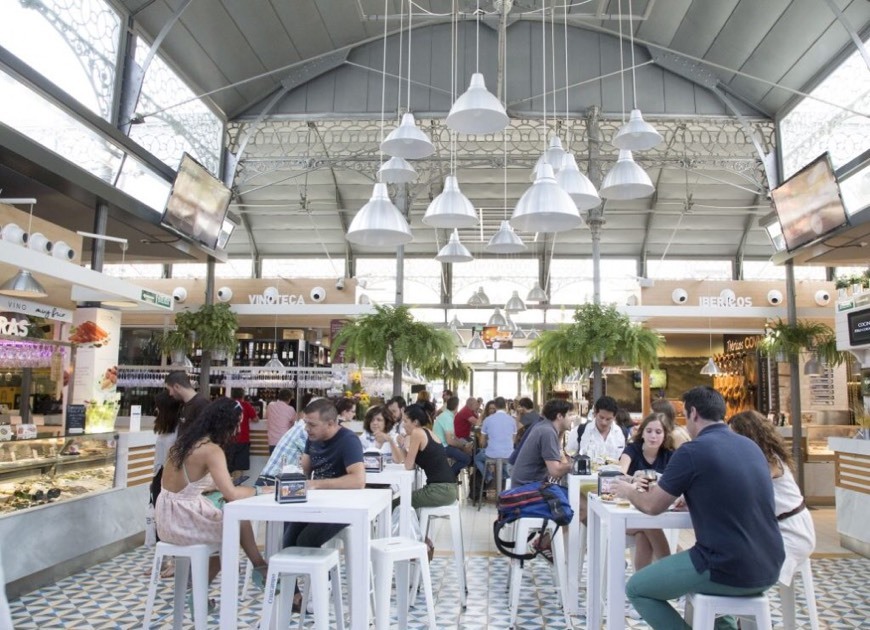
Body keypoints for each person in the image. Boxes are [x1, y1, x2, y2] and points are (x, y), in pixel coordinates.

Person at [611, 387, 784, 630]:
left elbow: (652, 506)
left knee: (638, 589)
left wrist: (627, 490)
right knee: (705, 592)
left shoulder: (692, 451)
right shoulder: (750, 447)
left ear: (693, 413)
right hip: (771, 564)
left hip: (724, 565)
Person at [156, 398, 273, 589]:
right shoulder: (211, 450)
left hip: (166, 518)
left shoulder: (184, 443)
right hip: (182, 521)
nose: (237, 430)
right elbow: (232, 493)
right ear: (226, 424)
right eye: (237, 424)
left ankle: (258, 567)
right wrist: (260, 490)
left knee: (233, 523)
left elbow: (184, 483)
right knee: (233, 532)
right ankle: (199, 588)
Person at [729, 410, 815, 589]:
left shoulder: (769, 462)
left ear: (749, 436)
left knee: (747, 574)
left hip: (793, 532)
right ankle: (740, 612)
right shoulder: (757, 459)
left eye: (734, 436)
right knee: (733, 560)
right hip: (776, 529)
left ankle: (748, 612)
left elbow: (747, 490)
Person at [283, 398, 365, 549]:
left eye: (312, 424)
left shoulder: (349, 440)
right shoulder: (313, 437)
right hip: (316, 502)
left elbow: (358, 480)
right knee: (288, 540)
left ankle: (320, 573)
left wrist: (316, 484)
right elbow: (306, 469)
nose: (307, 428)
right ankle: (293, 572)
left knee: (305, 541)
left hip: (342, 506)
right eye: (306, 423)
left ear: (331, 423)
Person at [618, 412, 675, 571]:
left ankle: (640, 585)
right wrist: (633, 480)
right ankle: (669, 572)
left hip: (656, 511)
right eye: (649, 431)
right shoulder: (632, 449)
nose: (653, 436)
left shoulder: (670, 455)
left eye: (658, 432)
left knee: (644, 533)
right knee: (649, 524)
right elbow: (619, 473)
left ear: (665, 435)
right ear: (642, 432)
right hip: (626, 513)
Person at [394, 403, 457, 508]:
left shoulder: (417, 433)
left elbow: (408, 465)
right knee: (403, 500)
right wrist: (403, 444)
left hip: (440, 490)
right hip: (447, 488)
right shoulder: (426, 431)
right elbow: (410, 463)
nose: (403, 425)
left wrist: (401, 444)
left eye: (405, 421)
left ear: (415, 422)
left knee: (396, 503)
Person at [510, 398, 573, 488]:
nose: (572, 419)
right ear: (559, 416)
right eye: (569, 415)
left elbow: (556, 451)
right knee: (570, 498)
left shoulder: (543, 426)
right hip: (526, 491)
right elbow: (555, 471)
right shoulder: (547, 432)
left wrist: (561, 431)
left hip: (524, 485)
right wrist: (575, 466)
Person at [474, 396, 516, 485]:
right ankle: (506, 479)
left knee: (477, 458)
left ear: (495, 406)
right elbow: (513, 440)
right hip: (509, 454)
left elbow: (482, 442)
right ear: (505, 406)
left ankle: (488, 476)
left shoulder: (487, 420)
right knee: (505, 462)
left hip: (492, 454)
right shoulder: (512, 420)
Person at [433, 395, 472, 476]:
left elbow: (453, 437)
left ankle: (450, 476)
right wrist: (463, 446)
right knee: (466, 459)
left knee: (464, 449)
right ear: (457, 406)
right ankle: (449, 476)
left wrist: (463, 444)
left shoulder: (446, 415)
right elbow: (450, 441)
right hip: (443, 447)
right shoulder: (447, 418)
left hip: (440, 445)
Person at [579, 395, 625, 462]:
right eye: (601, 417)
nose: (604, 423)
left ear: (614, 417)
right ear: (595, 413)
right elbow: (570, 456)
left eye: (608, 419)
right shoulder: (581, 430)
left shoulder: (622, 433)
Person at [164, 371, 210, 436]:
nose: (170, 394)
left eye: (169, 390)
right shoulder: (184, 404)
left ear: (177, 387)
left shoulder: (201, 404)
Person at [227, 388, 259, 474]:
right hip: (243, 439)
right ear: (243, 396)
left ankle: (230, 484)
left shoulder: (227, 405)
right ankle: (236, 486)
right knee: (239, 467)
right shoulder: (246, 405)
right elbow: (255, 419)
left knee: (229, 466)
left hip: (228, 439)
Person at [153, 390, 181, 472]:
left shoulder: (177, 432)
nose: (156, 409)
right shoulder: (166, 429)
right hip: (161, 472)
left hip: (168, 475)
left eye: (158, 406)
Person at [265, 388, 296, 454]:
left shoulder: (270, 405)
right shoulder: (290, 409)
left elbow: (266, 416)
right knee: (284, 463)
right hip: (285, 441)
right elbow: (294, 424)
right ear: (289, 399)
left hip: (272, 441)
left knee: (274, 462)